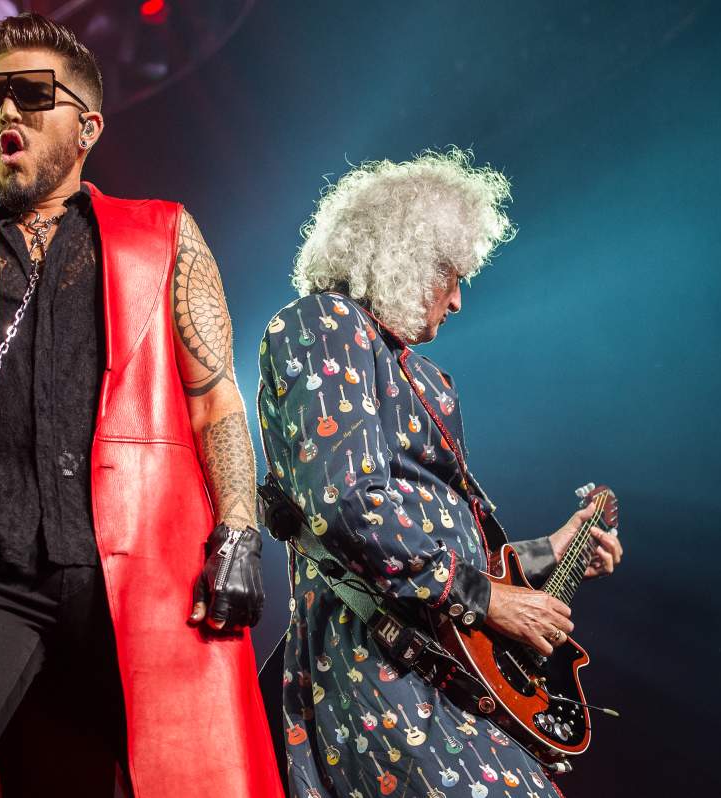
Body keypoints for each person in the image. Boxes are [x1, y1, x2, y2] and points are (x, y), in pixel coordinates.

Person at [0, 13, 279, 798]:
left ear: (88, 126)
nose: (7, 112)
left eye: (33, 94)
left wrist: (238, 531)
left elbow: (217, 404)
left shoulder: (164, 234)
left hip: (140, 574)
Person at [255, 149, 624, 797]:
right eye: (450, 274)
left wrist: (547, 553)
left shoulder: (426, 380)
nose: (458, 300)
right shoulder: (325, 323)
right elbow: (345, 503)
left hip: (455, 671)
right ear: (401, 254)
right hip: (383, 662)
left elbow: (445, 538)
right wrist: (487, 598)